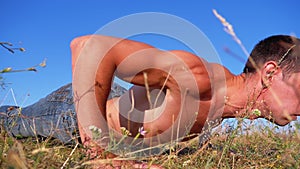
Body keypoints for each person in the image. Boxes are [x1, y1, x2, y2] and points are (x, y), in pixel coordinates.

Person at [1, 34, 299, 168]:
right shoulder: (201, 78)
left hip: (112, 115)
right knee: (7, 121)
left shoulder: (226, 111)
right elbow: (89, 46)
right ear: (270, 73)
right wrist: (100, 152)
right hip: (70, 114)